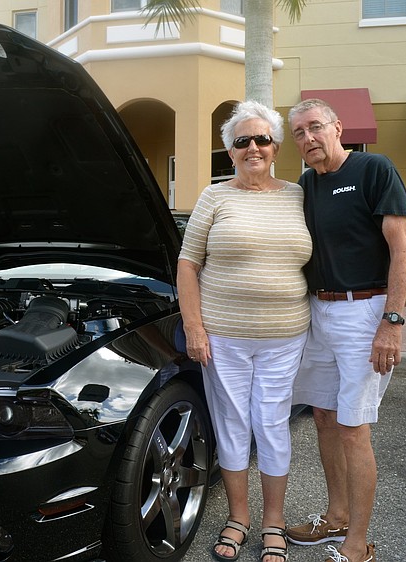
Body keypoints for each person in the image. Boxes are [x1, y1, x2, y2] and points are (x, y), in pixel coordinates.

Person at [177, 100, 312, 562]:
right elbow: (188, 264)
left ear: (276, 148)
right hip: (223, 337)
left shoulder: (298, 195)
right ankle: (239, 517)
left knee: (272, 425)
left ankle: (273, 521)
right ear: (230, 151)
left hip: (285, 335)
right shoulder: (214, 197)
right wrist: (194, 327)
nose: (253, 147)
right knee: (232, 426)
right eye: (242, 141)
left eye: (262, 139)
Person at [286, 98, 406, 562]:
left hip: (366, 311)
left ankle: (357, 544)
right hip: (318, 310)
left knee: (353, 427)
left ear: (338, 127)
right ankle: (336, 516)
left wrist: (391, 322)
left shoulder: (374, 169)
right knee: (323, 415)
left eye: (315, 127)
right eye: (299, 133)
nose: (308, 138)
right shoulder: (306, 184)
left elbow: (402, 251)